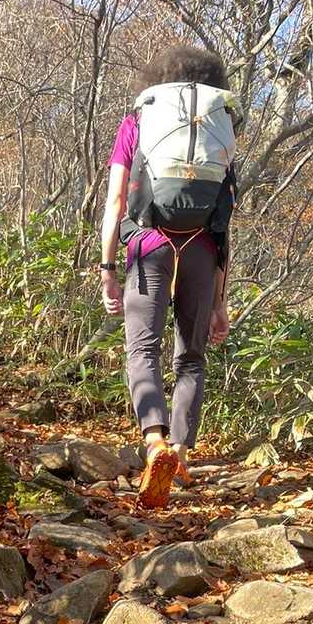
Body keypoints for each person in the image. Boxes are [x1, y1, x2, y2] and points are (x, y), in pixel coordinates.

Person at [99, 44, 236, 509]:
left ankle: (154, 440)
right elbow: (224, 217)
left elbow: (116, 201)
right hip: (201, 249)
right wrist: (219, 301)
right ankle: (179, 452)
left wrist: (108, 269)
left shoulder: (138, 121)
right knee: (191, 358)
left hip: (149, 244)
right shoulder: (219, 124)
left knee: (142, 349)